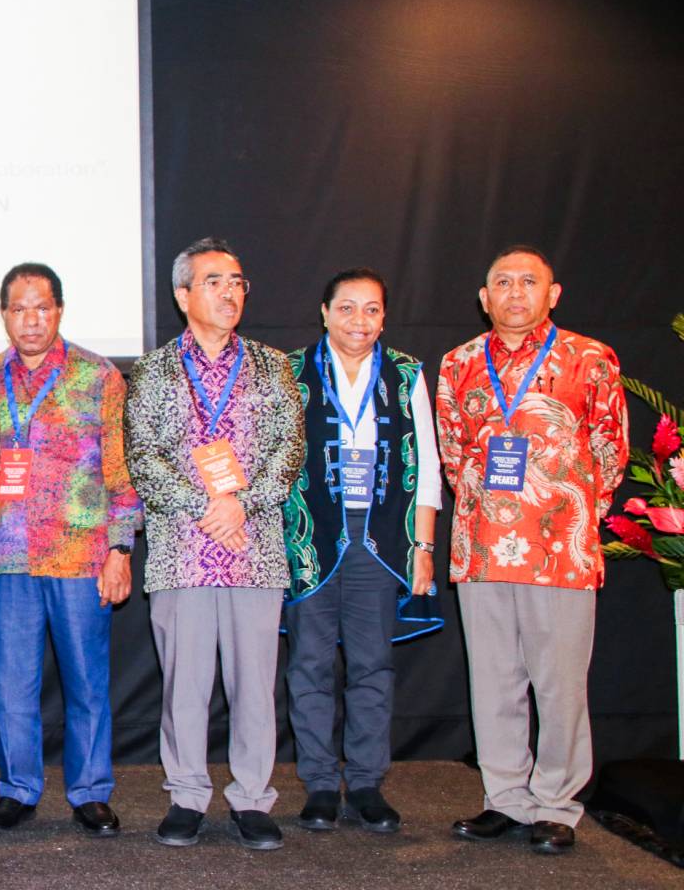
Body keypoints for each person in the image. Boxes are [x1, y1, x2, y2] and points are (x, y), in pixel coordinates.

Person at [438, 246, 626, 855]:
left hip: (561, 549)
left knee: (559, 683)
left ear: (554, 292)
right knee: (493, 681)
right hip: (483, 546)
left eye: (529, 282)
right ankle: (505, 799)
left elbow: (611, 450)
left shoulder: (590, 359)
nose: (515, 293)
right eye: (502, 283)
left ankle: (557, 804)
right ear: (484, 298)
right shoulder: (459, 363)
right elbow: (452, 450)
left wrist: (568, 509)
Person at [125, 237, 304, 851]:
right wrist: (206, 505)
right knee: (185, 685)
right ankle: (187, 796)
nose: (230, 292)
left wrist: (240, 503)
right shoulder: (151, 369)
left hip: (254, 547)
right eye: (214, 282)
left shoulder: (272, 365)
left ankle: (253, 799)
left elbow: (289, 450)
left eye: (237, 282)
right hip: (182, 549)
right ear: (183, 295)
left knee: (256, 684)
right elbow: (142, 457)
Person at [0, 263, 141, 837]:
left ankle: (90, 791)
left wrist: (121, 548)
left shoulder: (98, 377)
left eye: (42, 307)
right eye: (19, 308)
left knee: (87, 683)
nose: (31, 319)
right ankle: (17, 789)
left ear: (60, 310)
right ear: (4, 315)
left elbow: (122, 472)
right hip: (8, 559)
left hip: (80, 555)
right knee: (13, 684)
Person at [280, 268, 444, 835]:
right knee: (309, 665)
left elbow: (427, 466)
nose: (358, 321)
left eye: (371, 310)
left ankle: (369, 784)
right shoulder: (290, 372)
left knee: (373, 664)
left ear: (384, 317)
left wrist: (423, 546)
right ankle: (321, 784)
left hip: (382, 535)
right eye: (346, 308)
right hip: (310, 533)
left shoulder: (405, 374)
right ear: (324, 312)